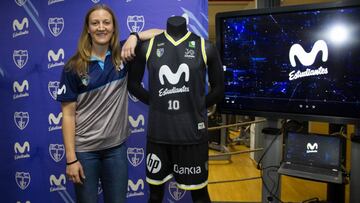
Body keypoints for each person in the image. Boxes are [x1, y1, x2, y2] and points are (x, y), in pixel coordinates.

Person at [56, 4, 162, 203]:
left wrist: (135, 36)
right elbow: (68, 115)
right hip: (85, 152)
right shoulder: (73, 66)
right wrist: (71, 159)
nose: (101, 27)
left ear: (113, 27)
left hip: (115, 150)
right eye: (95, 23)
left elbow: (162, 33)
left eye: (106, 22)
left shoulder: (123, 54)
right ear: (88, 28)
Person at [128, 16, 224, 203]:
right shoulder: (148, 47)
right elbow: (132, 84)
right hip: (158, 136)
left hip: (192, 138)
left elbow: (219, 89)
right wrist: (155, 102)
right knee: (155, 196)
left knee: (200, 195)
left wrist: (196, 104)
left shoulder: (205, 47)